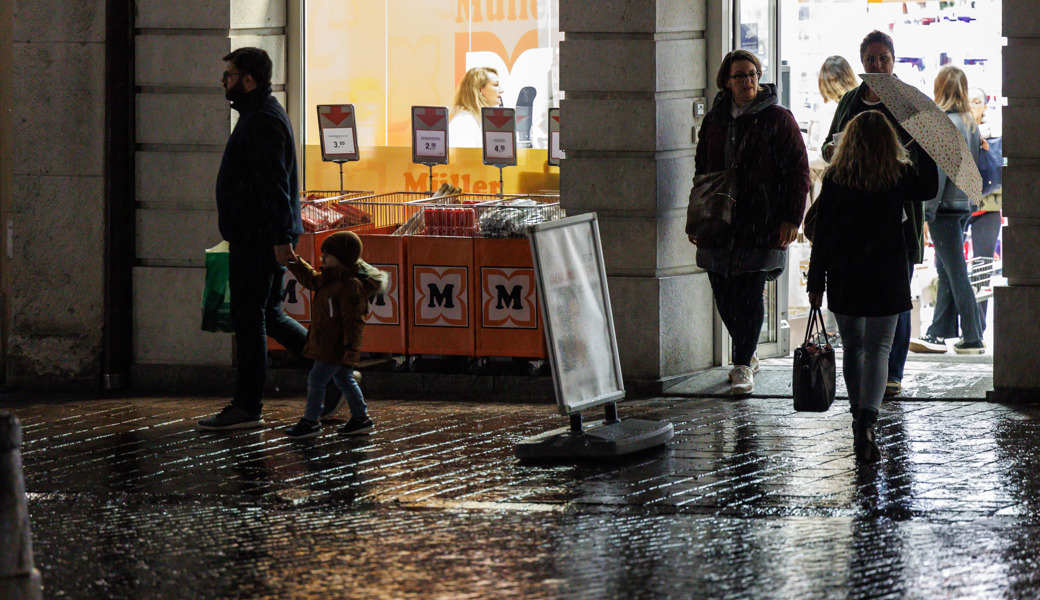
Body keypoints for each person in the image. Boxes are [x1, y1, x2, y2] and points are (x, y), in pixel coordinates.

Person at [807, 110, 938, 463]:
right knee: (880, 348)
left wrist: (816, 281)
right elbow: (929, 187)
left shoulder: (835, 179)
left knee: (854, 348)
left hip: (846, 272)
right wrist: (923, 143)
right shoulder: (897, 174)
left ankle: (855, 417)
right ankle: (868, 419)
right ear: (888, 142)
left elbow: (823, 234)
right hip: (887, 272)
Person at [198, 48, 310, 431]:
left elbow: (274, 183)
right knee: (269, 314)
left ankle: (247, 407)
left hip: (258, 238)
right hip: (258, 235)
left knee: (252, 320)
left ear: (249, 80)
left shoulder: (261, 120)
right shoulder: (260, 114)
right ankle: (332, 372)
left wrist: (280, 236)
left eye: (228, 75)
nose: (223, 82)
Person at [693, 49, 810, 395]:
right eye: (740, 75)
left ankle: (742, 364)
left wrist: (792, 217)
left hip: (762, 220)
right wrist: (700, 216)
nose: (747, 81)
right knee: (723, 292)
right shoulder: (715, 120)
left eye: (752, 74)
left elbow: (798, 171)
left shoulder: (778, 118)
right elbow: (701, 169)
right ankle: (748, 351)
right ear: (726, 82)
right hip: (719, 221)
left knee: (750, 291)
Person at [823, 30, 924, 398]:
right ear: (861, 61)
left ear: (893, 60)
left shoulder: (906, 102)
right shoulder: (851, 100)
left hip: (895, 216)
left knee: (897, 296)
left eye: (883, 58)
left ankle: (891, 373)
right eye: (871, 59)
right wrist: (835, 147)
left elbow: (920, 173)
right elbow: (828, 145)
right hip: (852, 215)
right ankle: (867, 390)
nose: (877, 65)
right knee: (858, 323)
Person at [910, 66, 985, 355]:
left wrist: (927, 213)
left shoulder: (942, 123)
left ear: (940, 88)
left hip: (944, 208)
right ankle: (938, 331)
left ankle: (973, 336)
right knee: (948, 268)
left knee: (955, 272)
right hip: (961, 205)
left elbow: (938, 174)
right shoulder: (968, 122)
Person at [283, 232, 388, 439]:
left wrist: (348, 348)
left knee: (317, 378)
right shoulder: (331, 278)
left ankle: (311, 420)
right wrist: (294, 261)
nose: (322, 258)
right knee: (343, 378)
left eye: (327, 255)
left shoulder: (350, 286)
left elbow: (353, 321)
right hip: (331, 344)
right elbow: (311, 279)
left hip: (336, 346)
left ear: (341, 258)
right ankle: (360, 418)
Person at [966, 86, 1002, 324]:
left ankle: (978, 326)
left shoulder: (996, 135)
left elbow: (1000, 176)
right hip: (959, 206)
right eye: (967, 101)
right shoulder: (955, 132)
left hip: (987, 208)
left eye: (977, 102)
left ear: (985, 106)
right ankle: (957, 324)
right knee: (949, 267)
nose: (972, 106)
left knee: (982, 268)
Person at [448, 67, 503, 148]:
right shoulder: (465, 121)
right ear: (480, 89)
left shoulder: (476, 119)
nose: (501, 90)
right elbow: (461, 158)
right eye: (496, 85)